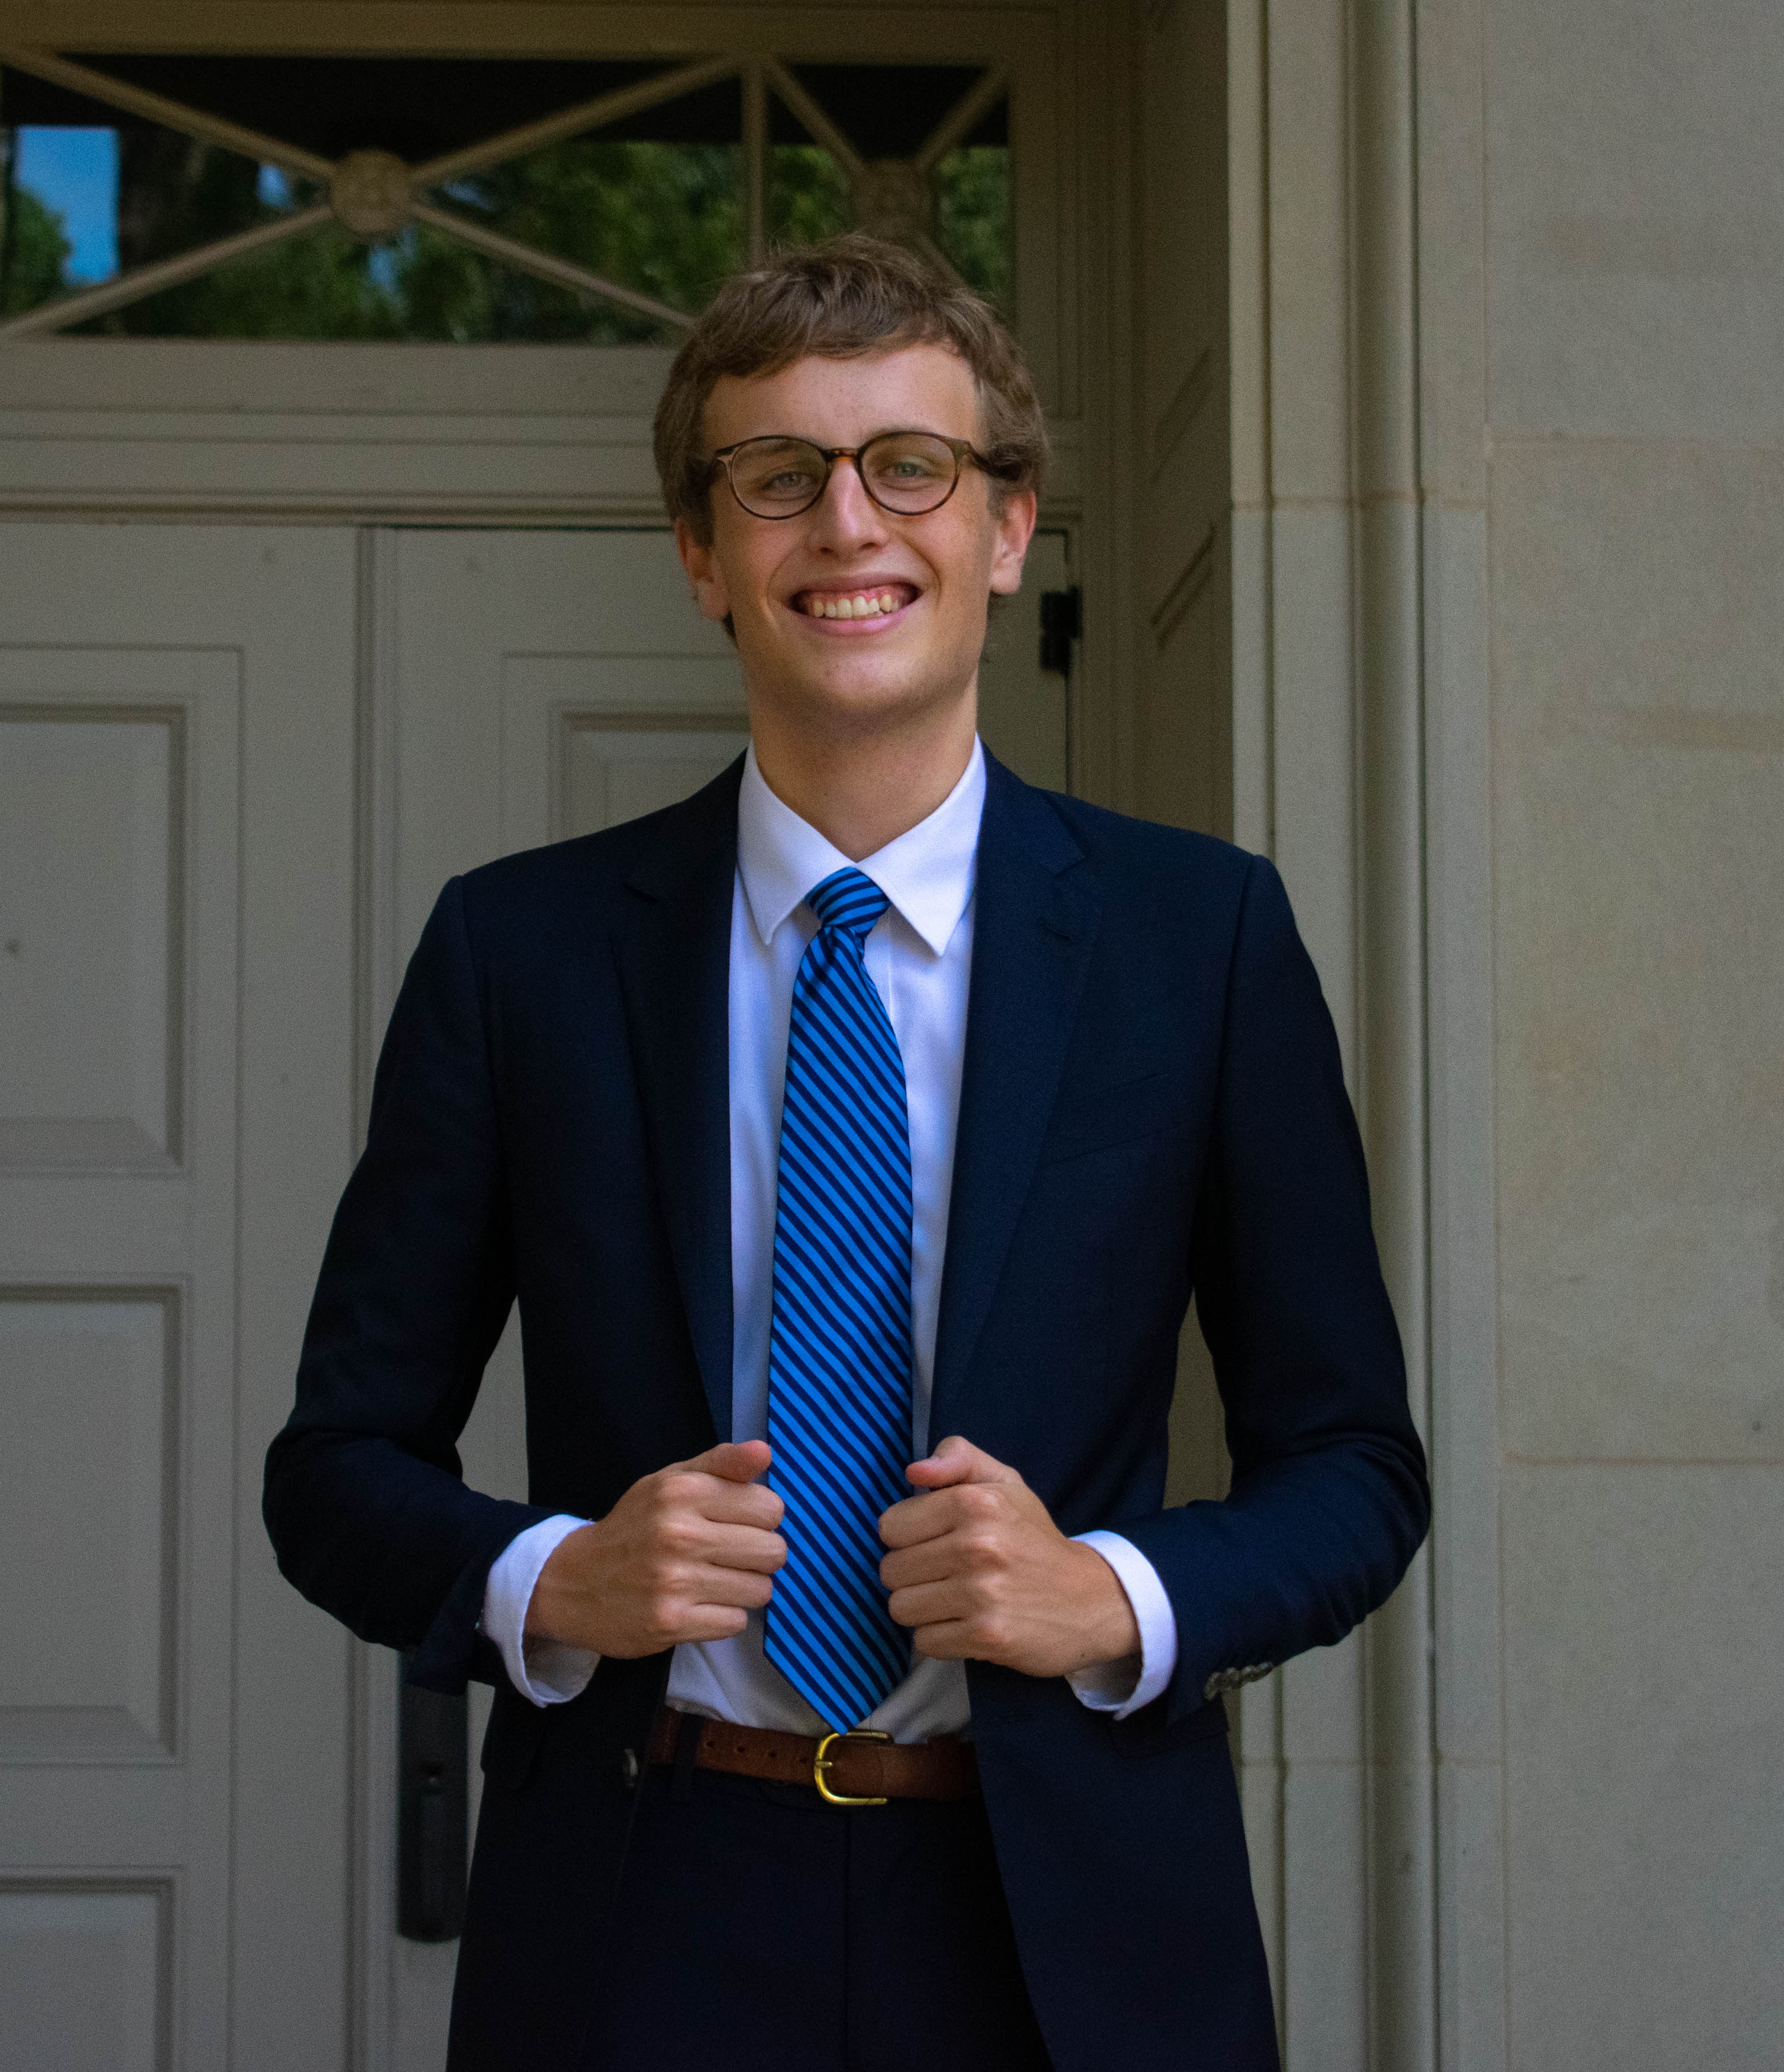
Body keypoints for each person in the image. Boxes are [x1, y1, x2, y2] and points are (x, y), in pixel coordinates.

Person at [264, 234, 1427, 2072]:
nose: (848, 524)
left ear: (1009, 528)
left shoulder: (1195, 943)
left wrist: (1112, 1594)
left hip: (1073, 1932)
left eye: (911, 467)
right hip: (644, 1908)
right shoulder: (524, 956)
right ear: (702, 554)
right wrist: (550, 1581)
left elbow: (1357, 1467)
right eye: (777, 477)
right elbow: (333, 1468)